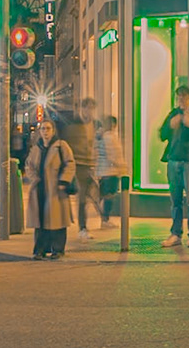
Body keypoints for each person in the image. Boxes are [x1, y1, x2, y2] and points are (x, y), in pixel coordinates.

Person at [157, 83, 189, 248]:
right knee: (175, 199)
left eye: (184, 96)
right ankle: (175, 234)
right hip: (174, 160)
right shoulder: (173, 114)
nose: (181, 99)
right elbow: (162, 134)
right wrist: (170, 125)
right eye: (179, 96)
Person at [22, 118, 77, 259]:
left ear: (53, 131)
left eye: (48, 129)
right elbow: (29, 165)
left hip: (55, 189)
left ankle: (58, 249)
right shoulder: (36, 148)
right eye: (43, 129)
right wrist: (34, 178)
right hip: (39, 189)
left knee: (57, 221)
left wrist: (64, 180)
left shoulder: (61, 146)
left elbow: (70, 163)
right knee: (40, 221)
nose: (45, 132)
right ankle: (40, 250)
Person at [64, 99, 100, 236]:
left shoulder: (93, 124)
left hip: (89, 165)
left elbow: (91, 144)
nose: (90, 111)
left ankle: (101, 218)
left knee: (93, 194)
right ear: (82, 109)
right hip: (78, 165)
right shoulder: (74, 125)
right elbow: (69, 146)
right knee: (83, 198)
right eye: (87, 108)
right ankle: (82, 227)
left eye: (92, 109)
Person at [93, 115, 126, 219]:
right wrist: (121, 166)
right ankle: (105, 218)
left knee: (105, 195)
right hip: (110, 171)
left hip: (103, 171)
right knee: (109, 196)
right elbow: (113, 155)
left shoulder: (101, 136)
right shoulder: (109, 137)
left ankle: (104, 218)